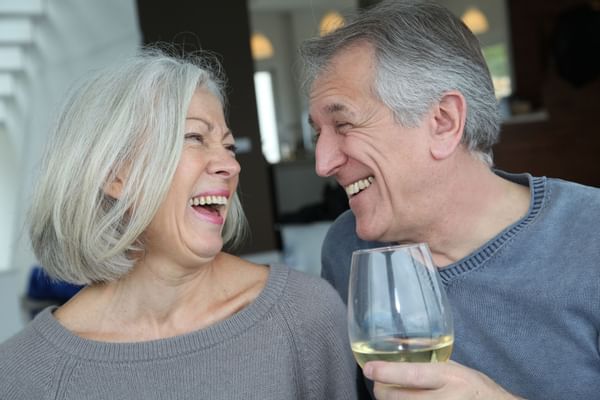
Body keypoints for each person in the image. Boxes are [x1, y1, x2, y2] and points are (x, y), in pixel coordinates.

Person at [0, 48, 358, 400]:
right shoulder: (22, 373)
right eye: (194, 138)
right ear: (115, 175)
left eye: (229, 147)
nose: (230, 166)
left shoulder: (305, 314)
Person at [300, 1, 600, 399]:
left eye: (344, 124)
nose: (323, 163)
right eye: (319, 132)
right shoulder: (348, 249)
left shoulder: (591, 238)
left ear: (443, 122)